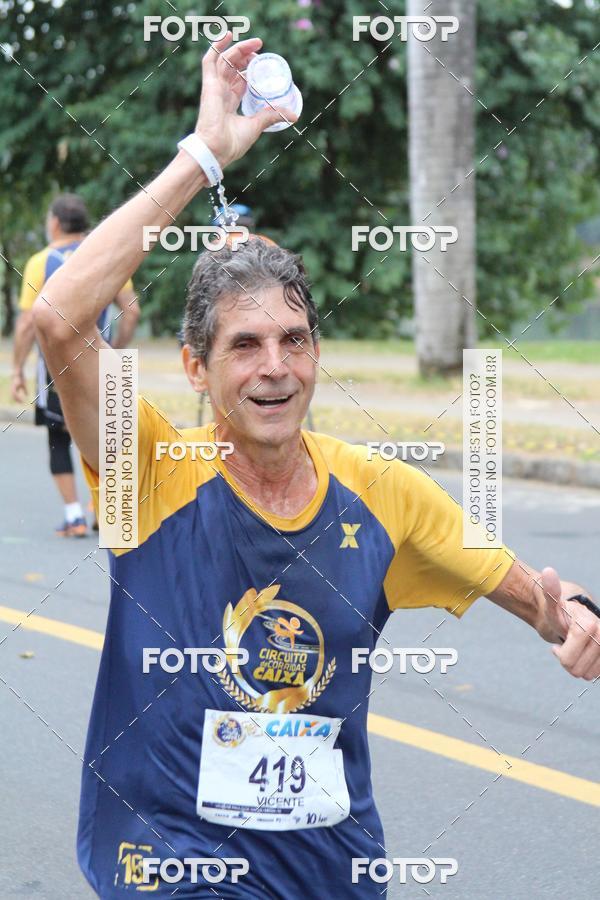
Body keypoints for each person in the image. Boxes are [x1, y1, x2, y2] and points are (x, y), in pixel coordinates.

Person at [31, 34, 600, 899]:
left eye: (294, 340)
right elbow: (60, 319)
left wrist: (574, 620)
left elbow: (533, 598)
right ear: (196, 366)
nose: (276, 367)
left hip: (329, 871)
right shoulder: (149, 469)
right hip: (171, 864)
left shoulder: (382, 493)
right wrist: (202, 156)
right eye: (246, 345)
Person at [11, 193, 140, 536]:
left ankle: (74, 517)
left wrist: (17, 369)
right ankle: (104, 509)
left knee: (58, 436)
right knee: (111, 436)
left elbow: (26, 324)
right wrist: (115, 349)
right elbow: (132, 310)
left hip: (56, 365)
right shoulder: (105, 256)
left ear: (54, 223)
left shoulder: (41, 261)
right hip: (102, 361)